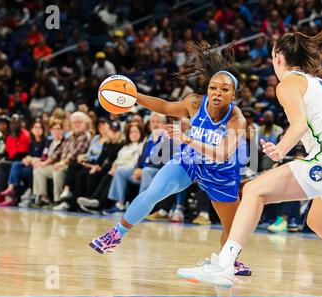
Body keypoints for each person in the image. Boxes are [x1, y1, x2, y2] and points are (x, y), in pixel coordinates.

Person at [177, 12, 322, 295]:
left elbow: (299, 124)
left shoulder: (288, 82)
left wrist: (280, 149)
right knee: (318, 222)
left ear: (277, 56)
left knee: (253, 191)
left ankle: (225, 265)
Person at [90, 41, 252, 277]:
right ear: (207, 89)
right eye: (213, 88)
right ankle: (116, 234)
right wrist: (135, 96)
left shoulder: (236, 119)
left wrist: (186, 139)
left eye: (224, 90)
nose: (217, 93)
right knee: (153, 192)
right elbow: (165, 106)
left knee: (233, 229)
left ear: (233, 94)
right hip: (189, 161)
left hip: (220, 171)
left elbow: (223, 154)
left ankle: (229, 261)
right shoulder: (195, 103)